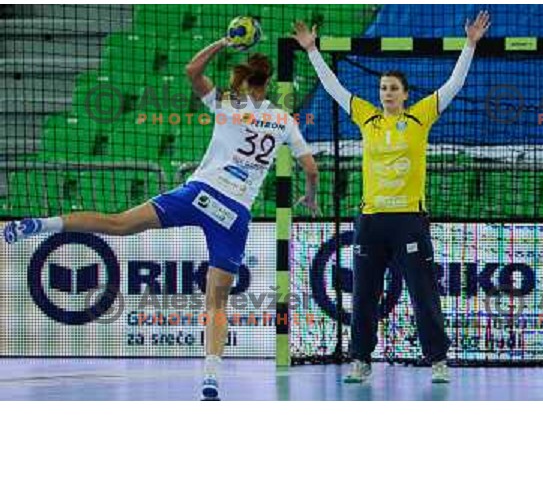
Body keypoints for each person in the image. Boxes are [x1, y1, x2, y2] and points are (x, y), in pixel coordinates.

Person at [4, 36, 320, 401]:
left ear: (243, 81)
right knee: (216, 301)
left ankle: (44, 224)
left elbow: (191, 70)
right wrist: (310, 197)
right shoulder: (283, 120)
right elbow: (310, 169)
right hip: (234, 213)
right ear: (268, 84)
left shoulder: (228, 105)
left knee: (118, 223)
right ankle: (211, 378)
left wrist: (222, 42)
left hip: (200, 194)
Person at [294, 11, 491, 384]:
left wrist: (469, 45)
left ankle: (437, 361)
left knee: (423, 294)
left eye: (393, 88)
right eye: (383, 88)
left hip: (409, 221)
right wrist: (312, 51)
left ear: (405, 94)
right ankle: (361, 361)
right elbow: (334, 87)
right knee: (364, 295)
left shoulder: (420, 117)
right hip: (371, 221)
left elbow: (453, 84)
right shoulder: (367, 118)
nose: (386, 93)